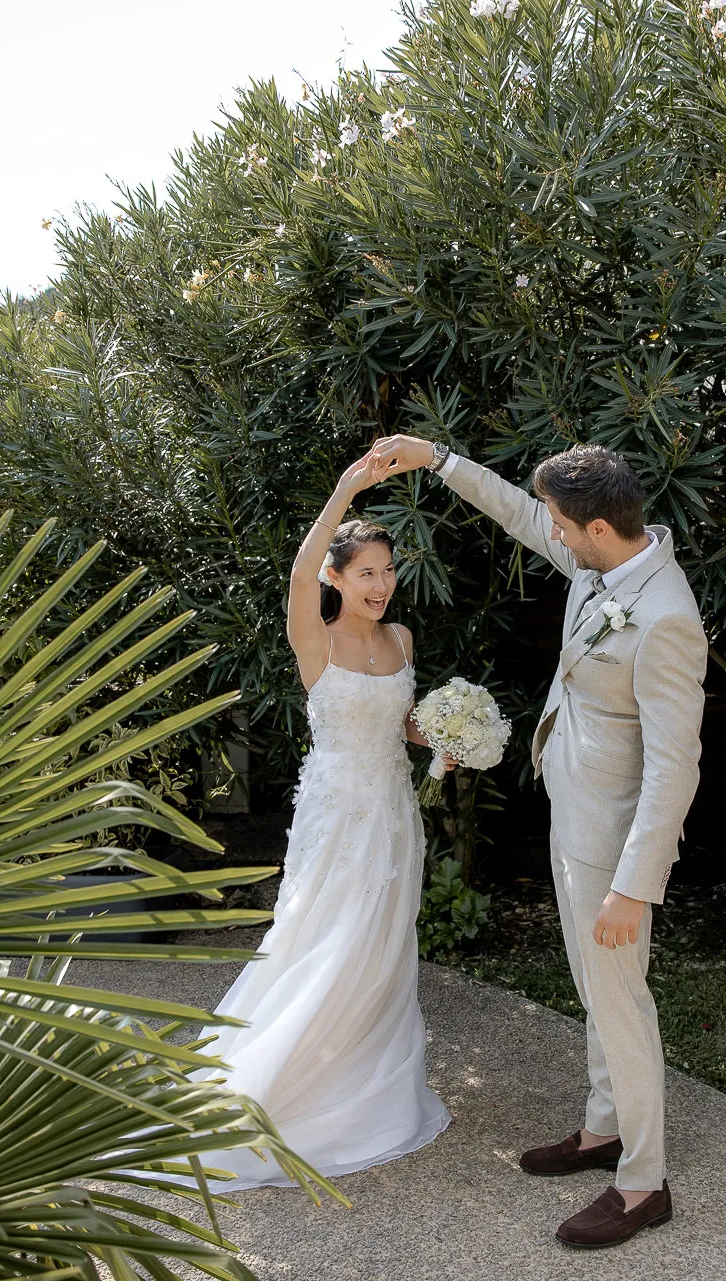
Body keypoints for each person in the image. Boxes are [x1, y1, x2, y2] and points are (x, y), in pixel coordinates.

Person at [368, 434, 707, 1249]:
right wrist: (438, 459)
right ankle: (604, 1128)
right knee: (597, 990)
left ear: (594, 526)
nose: (547, 530)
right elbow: (520, 512)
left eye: (560, 521)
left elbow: (675, 767)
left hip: (614, 844)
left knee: (620, 999)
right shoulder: (601, 564)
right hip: (574, 805)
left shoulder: (665, 618)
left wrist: (634, 884)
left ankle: (643, 1181)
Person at [197, 453, 452, 1188]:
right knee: (322, 941)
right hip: (337, 817)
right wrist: (345, 488)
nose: (380, 584)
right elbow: (296, 574)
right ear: (337, 579)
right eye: (365, 572)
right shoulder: (316, 639)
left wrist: (442, 737)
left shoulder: (402, 639)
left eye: (387, 569)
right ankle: (271, 1086)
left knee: (380, 946)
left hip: (395, 815)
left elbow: (402, 722)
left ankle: (365, 1083)